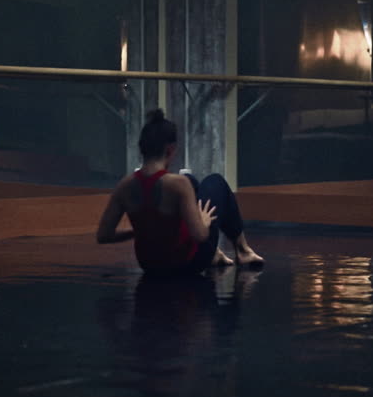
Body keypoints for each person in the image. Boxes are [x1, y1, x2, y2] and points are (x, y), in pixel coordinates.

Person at [97, 109, 263, 276]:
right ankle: (242, 250)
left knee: (190, 180)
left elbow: (103, 235)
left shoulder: (124, 186)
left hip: (149, 265)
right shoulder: (177, 184)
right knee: (215, 181)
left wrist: (139, 231)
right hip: (187, 264)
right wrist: (204, 221)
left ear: (142, 148)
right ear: (170, 150)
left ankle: (218, 254)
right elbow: (200, 235)